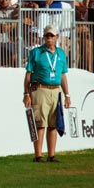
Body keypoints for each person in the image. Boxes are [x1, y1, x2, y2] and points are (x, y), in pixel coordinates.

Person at [23, 25, 71, 162]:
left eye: (52, 36)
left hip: (56, 90)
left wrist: (67, 95)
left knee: (53, 124)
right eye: (47, 36)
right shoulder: (36, 52)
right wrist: (26, 93)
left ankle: (51, 155)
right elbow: (28, 74)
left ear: (56, 37)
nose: (49, 38)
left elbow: (63, 75)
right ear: (44, 37)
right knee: (40, 123)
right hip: (40, 90)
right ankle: (38, 155)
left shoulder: (61, 53)